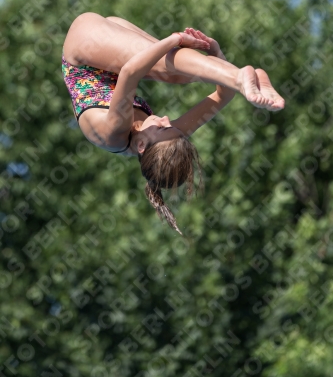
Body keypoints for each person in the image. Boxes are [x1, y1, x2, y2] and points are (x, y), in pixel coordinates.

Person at [62, 13, 284, 235]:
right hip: (110, 55)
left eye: (162, 127)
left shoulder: (113, 133)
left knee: (168, 62)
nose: (166, 119)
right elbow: (222, 96)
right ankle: (247, 79)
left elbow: (130, 72)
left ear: (141, 146)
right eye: (170, 126)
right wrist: (215, 54)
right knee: (182, 74)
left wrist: (174, 38)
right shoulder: (166, 138)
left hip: (84, 46)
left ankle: (240, 78)